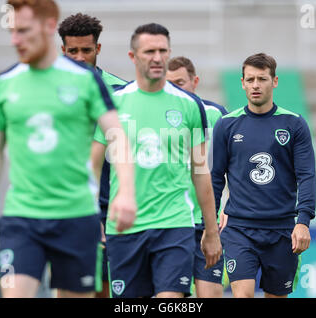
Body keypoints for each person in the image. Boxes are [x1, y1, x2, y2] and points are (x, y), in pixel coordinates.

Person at [0, 0, 136, 298]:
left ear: (48, 26)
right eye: (12, 31)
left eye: (23, 31)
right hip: (22, 217)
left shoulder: (86, 81)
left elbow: (118, 136)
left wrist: (125, 192)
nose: (15, 40)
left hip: (76, 217)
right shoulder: (5, 83)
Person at [93, 23, 222, 298]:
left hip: (174, 225)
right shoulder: (112, 104)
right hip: (125, 227)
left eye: (163, 50)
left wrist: (211, 232)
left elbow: (201, 172)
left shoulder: (189, 105)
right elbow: (92, 168)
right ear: (133, 57)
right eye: (149, 51)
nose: (157, 57)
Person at [211, 52, 315, 298]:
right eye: (250, 79)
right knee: (243, 294)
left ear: (274, 81)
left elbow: (307, 175)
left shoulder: (294, 124)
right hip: (240, 229)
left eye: (262, 79)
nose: (255, 85)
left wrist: (303, 221)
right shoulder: (226, 125)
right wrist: (211, 219)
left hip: (282, 229)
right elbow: (216, 177)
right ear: (242, 83)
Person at [58, 12, 128, 298]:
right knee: (70, 289)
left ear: (97, 49)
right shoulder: (51, 92)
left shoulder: (120, 92)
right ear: (62, 50)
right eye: (72, 51)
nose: (79, 57)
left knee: (108, 290)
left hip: (112, 211)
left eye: (86, 50)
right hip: (69, 208)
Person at [166, 56, 227, 298]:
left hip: (206, 223)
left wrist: (228, 206)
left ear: (195, 81)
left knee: (209, 293)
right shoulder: (159, 117)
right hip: (171, 221)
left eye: (180, 82)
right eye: (169, 83)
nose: (174, 89)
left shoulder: (216, 115)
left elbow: (233, 165)